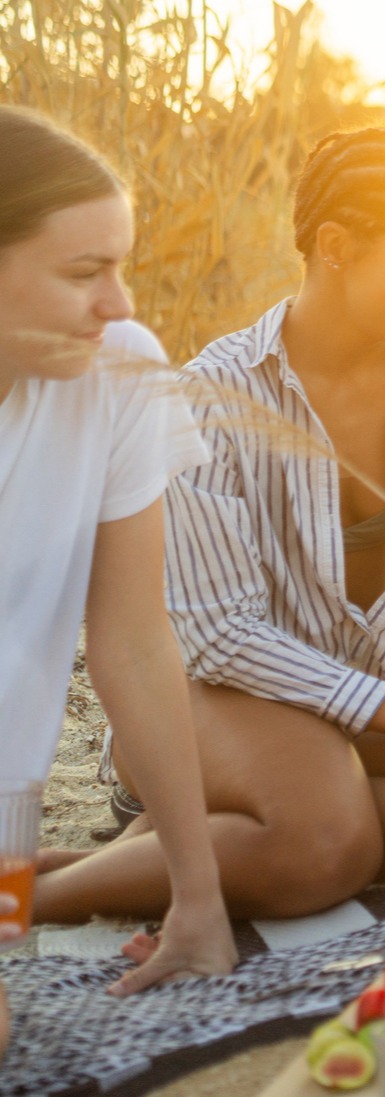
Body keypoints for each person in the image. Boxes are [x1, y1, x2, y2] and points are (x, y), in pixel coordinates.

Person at [37, 125, 385, 923]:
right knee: (325, 840)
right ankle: (41, 892)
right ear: (336, 245)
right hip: (213, 704)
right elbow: (217, 633)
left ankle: (247, 838)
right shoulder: (211, 394)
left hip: (345, 717)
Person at [0, 106, 235, 995]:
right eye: (83, 272)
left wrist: (198, 897)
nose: (120, 303)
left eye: (122, 266)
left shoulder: (119, 368)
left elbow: (134, 642)